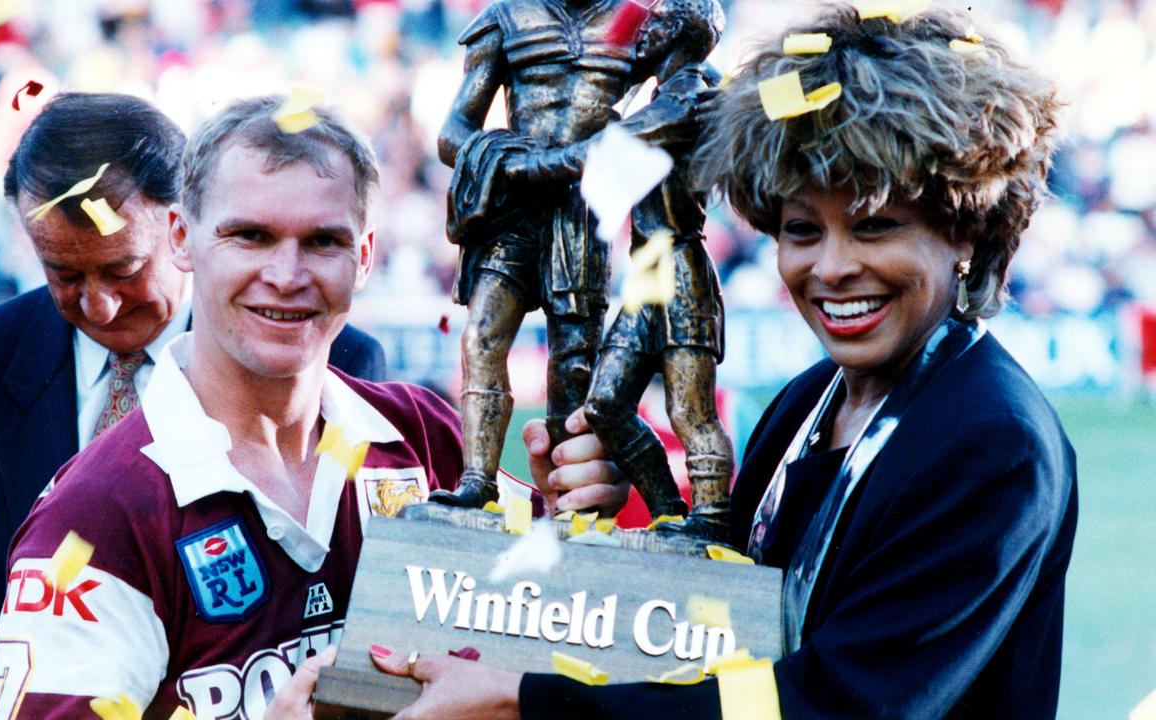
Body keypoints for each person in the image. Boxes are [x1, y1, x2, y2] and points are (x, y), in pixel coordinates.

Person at [370, 5, 1079, 718]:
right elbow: (716, 633)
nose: (831, 267)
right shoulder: (809, 403)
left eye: (875, 227)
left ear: (967, 230)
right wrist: (614, 528)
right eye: (802, 229)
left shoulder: (994, 443)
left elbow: (831, 705)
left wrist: (528, 703)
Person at [0, 96, 626, 719]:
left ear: (366, 256)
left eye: (323, 241)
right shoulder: (95, 514)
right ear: (181, 237)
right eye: (250, 236)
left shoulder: (426, 440)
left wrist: (572, 522)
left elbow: (582, 646)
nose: (287, 275)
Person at [0, 92, 385, 720]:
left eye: (124, 270)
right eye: (63, 274)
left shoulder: (324, 358)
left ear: (182, 230)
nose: (100, 306)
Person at [430, 0, 649, 508]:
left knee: (575, 364)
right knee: (481, 336)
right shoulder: (506, 18)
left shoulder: (637, 20)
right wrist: (508, 157)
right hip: (514, 207)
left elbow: (690, 78)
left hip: (580, 213)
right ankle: (477, 481)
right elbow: (452, 133)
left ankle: (571, 505)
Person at [580, 0, 736, 539]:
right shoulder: (665, 94)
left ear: (673, 36)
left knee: (690, 412)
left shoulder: (689, 100)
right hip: (648, 266)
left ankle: (712, 520)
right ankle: (669, 510)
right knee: (605, 403)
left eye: (651, 30)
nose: (641, 38)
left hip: (681, 266)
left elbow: (603, 141)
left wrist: (612, 68)